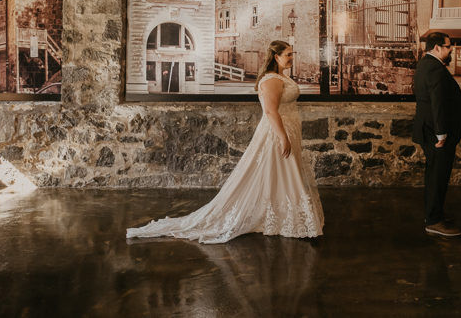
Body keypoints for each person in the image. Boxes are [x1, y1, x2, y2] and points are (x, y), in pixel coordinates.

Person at [127, 40, 324, 244]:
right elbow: (270, 111)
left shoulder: (282, 77)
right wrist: (283, 137)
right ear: (277, 57)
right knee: (282, 170)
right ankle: (280, 217)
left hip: (290, 129)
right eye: (289, 55)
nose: (292, 58)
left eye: (292, 54)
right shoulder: (272, 79)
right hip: (277, 132)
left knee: (284, 173)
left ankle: (280, 215)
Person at [413, 32, 461, 237]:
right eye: (448, 46)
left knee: (435, 174)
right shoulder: (434, 68)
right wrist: (441, 134)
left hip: (429, 129)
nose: (450, 49)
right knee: (437, 176)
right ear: (437, 48)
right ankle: (434, 221)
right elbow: (438, 103)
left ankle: (434, 215)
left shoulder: (425, 64)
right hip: (436, 133)